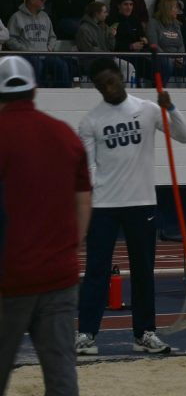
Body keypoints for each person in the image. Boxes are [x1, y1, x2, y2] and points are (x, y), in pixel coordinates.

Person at [75, 57, 186, 355]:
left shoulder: (148, 110)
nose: (107, 88)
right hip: (104, 205)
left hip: (141, 203)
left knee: (143, 271)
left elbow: (185, 136)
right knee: (95, 271)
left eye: (111, 81)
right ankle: (86, 334)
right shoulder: (90, 121)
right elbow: (86, 169)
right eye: (101, 86)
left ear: (121, 77)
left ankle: (144, 333)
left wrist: (171, 108)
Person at [0, 55, 92, 395]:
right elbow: (83, 200)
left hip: (9, 280)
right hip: (59, 275)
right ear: (34, 89)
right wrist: (70, 247)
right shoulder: (64, 134)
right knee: (61, 375)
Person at [6, 0, 72, 88]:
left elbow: (52, 37)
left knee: (61, 65)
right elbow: (10, 39)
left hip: (45, 54)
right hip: (27, 56)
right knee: (37, 64)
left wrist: (49, 48)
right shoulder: (16, 17)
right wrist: (24, 50)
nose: (44, 1)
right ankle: (37, 91)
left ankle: (64, 92)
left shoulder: (45, 17)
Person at [147, 0, 186, 87]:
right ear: (167, 9)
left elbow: (181, 44)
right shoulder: (153, 23)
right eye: (175, 8)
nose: (178, 11)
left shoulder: (176, 24)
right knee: (167, 63)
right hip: (160, 58)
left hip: (176, 59)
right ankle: (159, 89)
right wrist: (170, 59)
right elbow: (154, 45)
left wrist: (180, 57)